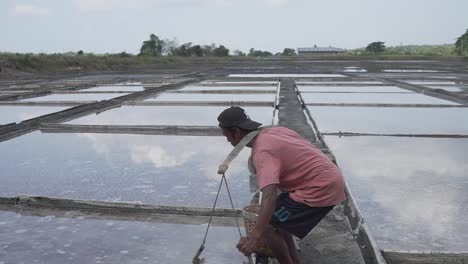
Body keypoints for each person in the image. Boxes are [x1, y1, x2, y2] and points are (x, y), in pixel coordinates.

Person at [217, 106, 346, 264]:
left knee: (268, 226)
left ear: (235, 132)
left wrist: (255, 235)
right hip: (328, 178)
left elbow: (269, 196)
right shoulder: (273, 131)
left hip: (319, 188)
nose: (228, 140)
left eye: (227, 136)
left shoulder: (262, 153)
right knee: (279, 220)